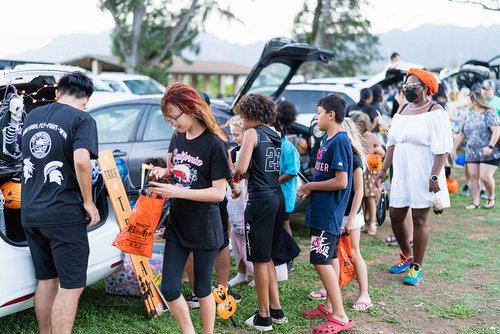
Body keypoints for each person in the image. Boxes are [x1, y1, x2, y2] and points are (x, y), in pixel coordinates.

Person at [21, 71, 99, 334]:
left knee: (46, 279)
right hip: (63, 214)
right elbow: (81, 161)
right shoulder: (82, 119)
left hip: (30, 211)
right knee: (72, 284)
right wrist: (88, 202)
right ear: (86, 99)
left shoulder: (32, 117)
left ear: (57, 93)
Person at [149, 82, 230, 334]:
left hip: (205, 226)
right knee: (170, 288)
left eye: (175, 117)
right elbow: (179, 172)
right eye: (168, 119)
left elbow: (218, 193)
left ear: (192, 109)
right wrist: (165, 172)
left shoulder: (214, 144)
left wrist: (177, 191)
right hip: (179, 223)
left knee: (203, 288)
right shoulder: (178, 136)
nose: (173, 124)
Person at [376, 68, 453, 286]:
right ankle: (406, 254)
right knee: (396, 215)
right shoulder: (401, 110)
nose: (408, 89)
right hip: (402, 171)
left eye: (413, 85)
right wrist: (383, 170)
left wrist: (435, 176)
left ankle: (416, 267)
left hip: (424, 170)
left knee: (420, 218)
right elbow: (392, 142)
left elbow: (442, 150)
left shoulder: (435, 111)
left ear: (427, 89)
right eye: (406, 85)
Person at [298, 93, 354, 333]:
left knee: (320, 259)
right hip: (320, 209)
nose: (316, 117)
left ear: (331, 115)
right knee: (329, 258)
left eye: (319, 113)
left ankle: (340, 316)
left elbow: (341, 182)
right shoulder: (327, 140)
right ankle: (330, 307)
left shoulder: (340, 141)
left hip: (328, 212)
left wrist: (311, 186)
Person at [233, 93, 286, 331]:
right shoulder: (275, 134)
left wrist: (235, 170)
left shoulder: (252, 133)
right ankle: (276, 310)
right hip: (276, 197)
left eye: (242, 117)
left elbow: (241, 168)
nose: (241, 122)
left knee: (260, 260)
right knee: (269, 258)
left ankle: (263, 316)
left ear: (250, 115)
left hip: (260, 200)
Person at [340, 118, 372, 311]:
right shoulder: (336, 153)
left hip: (351, 212)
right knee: (334, 253)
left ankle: (364, 294)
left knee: (354, 252)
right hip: (336, 212)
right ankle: (332, 288)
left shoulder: (354, 158)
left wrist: (351, 218)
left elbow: (359, 191)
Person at [451, 90, 499, 209]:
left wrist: (490, 146)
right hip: (472, 153)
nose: (467, 103)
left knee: (485, 177)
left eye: (468, 100)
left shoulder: (489, 113)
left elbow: (497, 131)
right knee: (473, 177)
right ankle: (475, 202)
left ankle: (491, 196)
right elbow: (461, 134)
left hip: (488, 152)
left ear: (475, 101)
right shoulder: (468, 115)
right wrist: (453, 149)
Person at [227, 116, 254, 287]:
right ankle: (241, 272)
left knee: (248, 238)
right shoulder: (232, 151)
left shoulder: (251, 150)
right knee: (236, 235)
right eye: (233, 135)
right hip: (236, 198)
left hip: (249, 196)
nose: (235, 138)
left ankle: (255, 272)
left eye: (237, 134)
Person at [274, 100, 301, 272]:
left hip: (284, 194)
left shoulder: (288, 148)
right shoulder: (275, 144)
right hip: (275, 193)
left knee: (284, 224)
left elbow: (292, 171)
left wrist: (272, 182)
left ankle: (290, 257)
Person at [351, 113, 384, 236]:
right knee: (362, 198)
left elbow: (381, 151)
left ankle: (372, 223)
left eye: (361, 123)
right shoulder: (356, 137)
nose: (360, 126)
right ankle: (364, 222)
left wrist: (377, 151)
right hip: (361, 172)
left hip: (370, 173)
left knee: (370, 198)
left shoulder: (370, 137)